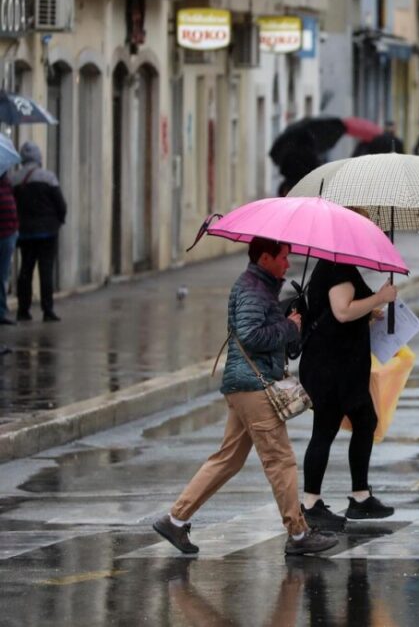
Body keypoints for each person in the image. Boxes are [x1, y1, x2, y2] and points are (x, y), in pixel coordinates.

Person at [152, 238, 338, 557]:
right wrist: (289, 328)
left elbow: (258, 329)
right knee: (280, 459)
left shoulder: (260, 286)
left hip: (245, 384)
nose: (287, 264)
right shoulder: (253, 288)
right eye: (283, 257)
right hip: (254, 385)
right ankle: (298, 533)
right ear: (265, 258)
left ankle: (175, 519)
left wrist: (288, 320)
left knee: (228, 458)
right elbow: (252, 335)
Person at [299, 257, 399, 530]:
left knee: (365, 420)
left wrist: (369, 312)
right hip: (331, 369)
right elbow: (342, 311)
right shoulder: (336, 266)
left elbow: (340, 315)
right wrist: (379, 297)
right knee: (325, 429)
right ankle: (310, 504)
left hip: (343, 368)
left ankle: (360, 496)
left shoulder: (338, 265)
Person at [13, 141, 66, 322]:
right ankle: (47, 310)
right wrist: (58, 221)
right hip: (47, 233)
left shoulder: (15, 179)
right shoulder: (48, 177)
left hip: (25, 233)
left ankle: (23, 309)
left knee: (25, 270)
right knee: (46, 270)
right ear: (38, 158)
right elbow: (61, 204)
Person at [0, 171, 18, 330]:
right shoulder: (7, 184)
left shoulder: (7, 183)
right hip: (7, 233)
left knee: (3, 275)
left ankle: (1, 311)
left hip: (8, 234)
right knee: (2, 275)